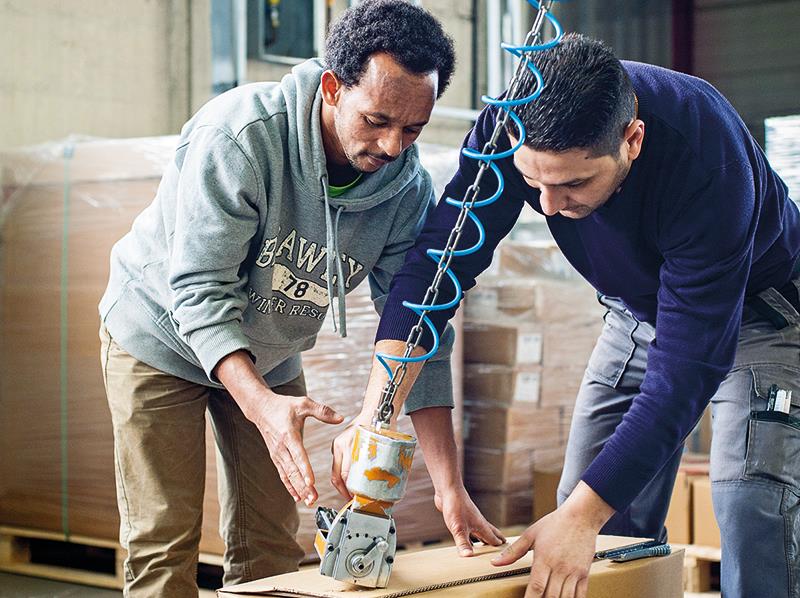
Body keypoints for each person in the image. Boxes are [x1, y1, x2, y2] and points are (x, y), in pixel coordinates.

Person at [333, 33, 800, 598]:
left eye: (574, 182)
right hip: (635, 313)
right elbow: (439, 266)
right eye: (533, 182)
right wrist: (374, 415)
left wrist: (581, 518)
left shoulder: (708, 159)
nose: (551, 207)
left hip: (757, 314)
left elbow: (686, 371)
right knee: (592, 502)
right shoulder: (509, 122)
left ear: (633, 140)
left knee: (750, 504)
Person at [98, 2, 503, 596]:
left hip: (270, 351)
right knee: (165, 543)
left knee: (270, 548)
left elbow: (420, 331)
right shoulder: (240, 137)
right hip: (158, 338)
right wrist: (261, 406)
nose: (393, 145)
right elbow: (198, 290)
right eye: (377, 120)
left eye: (413, 128)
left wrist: (448, 486)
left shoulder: (406, 191)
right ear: (334, 89)